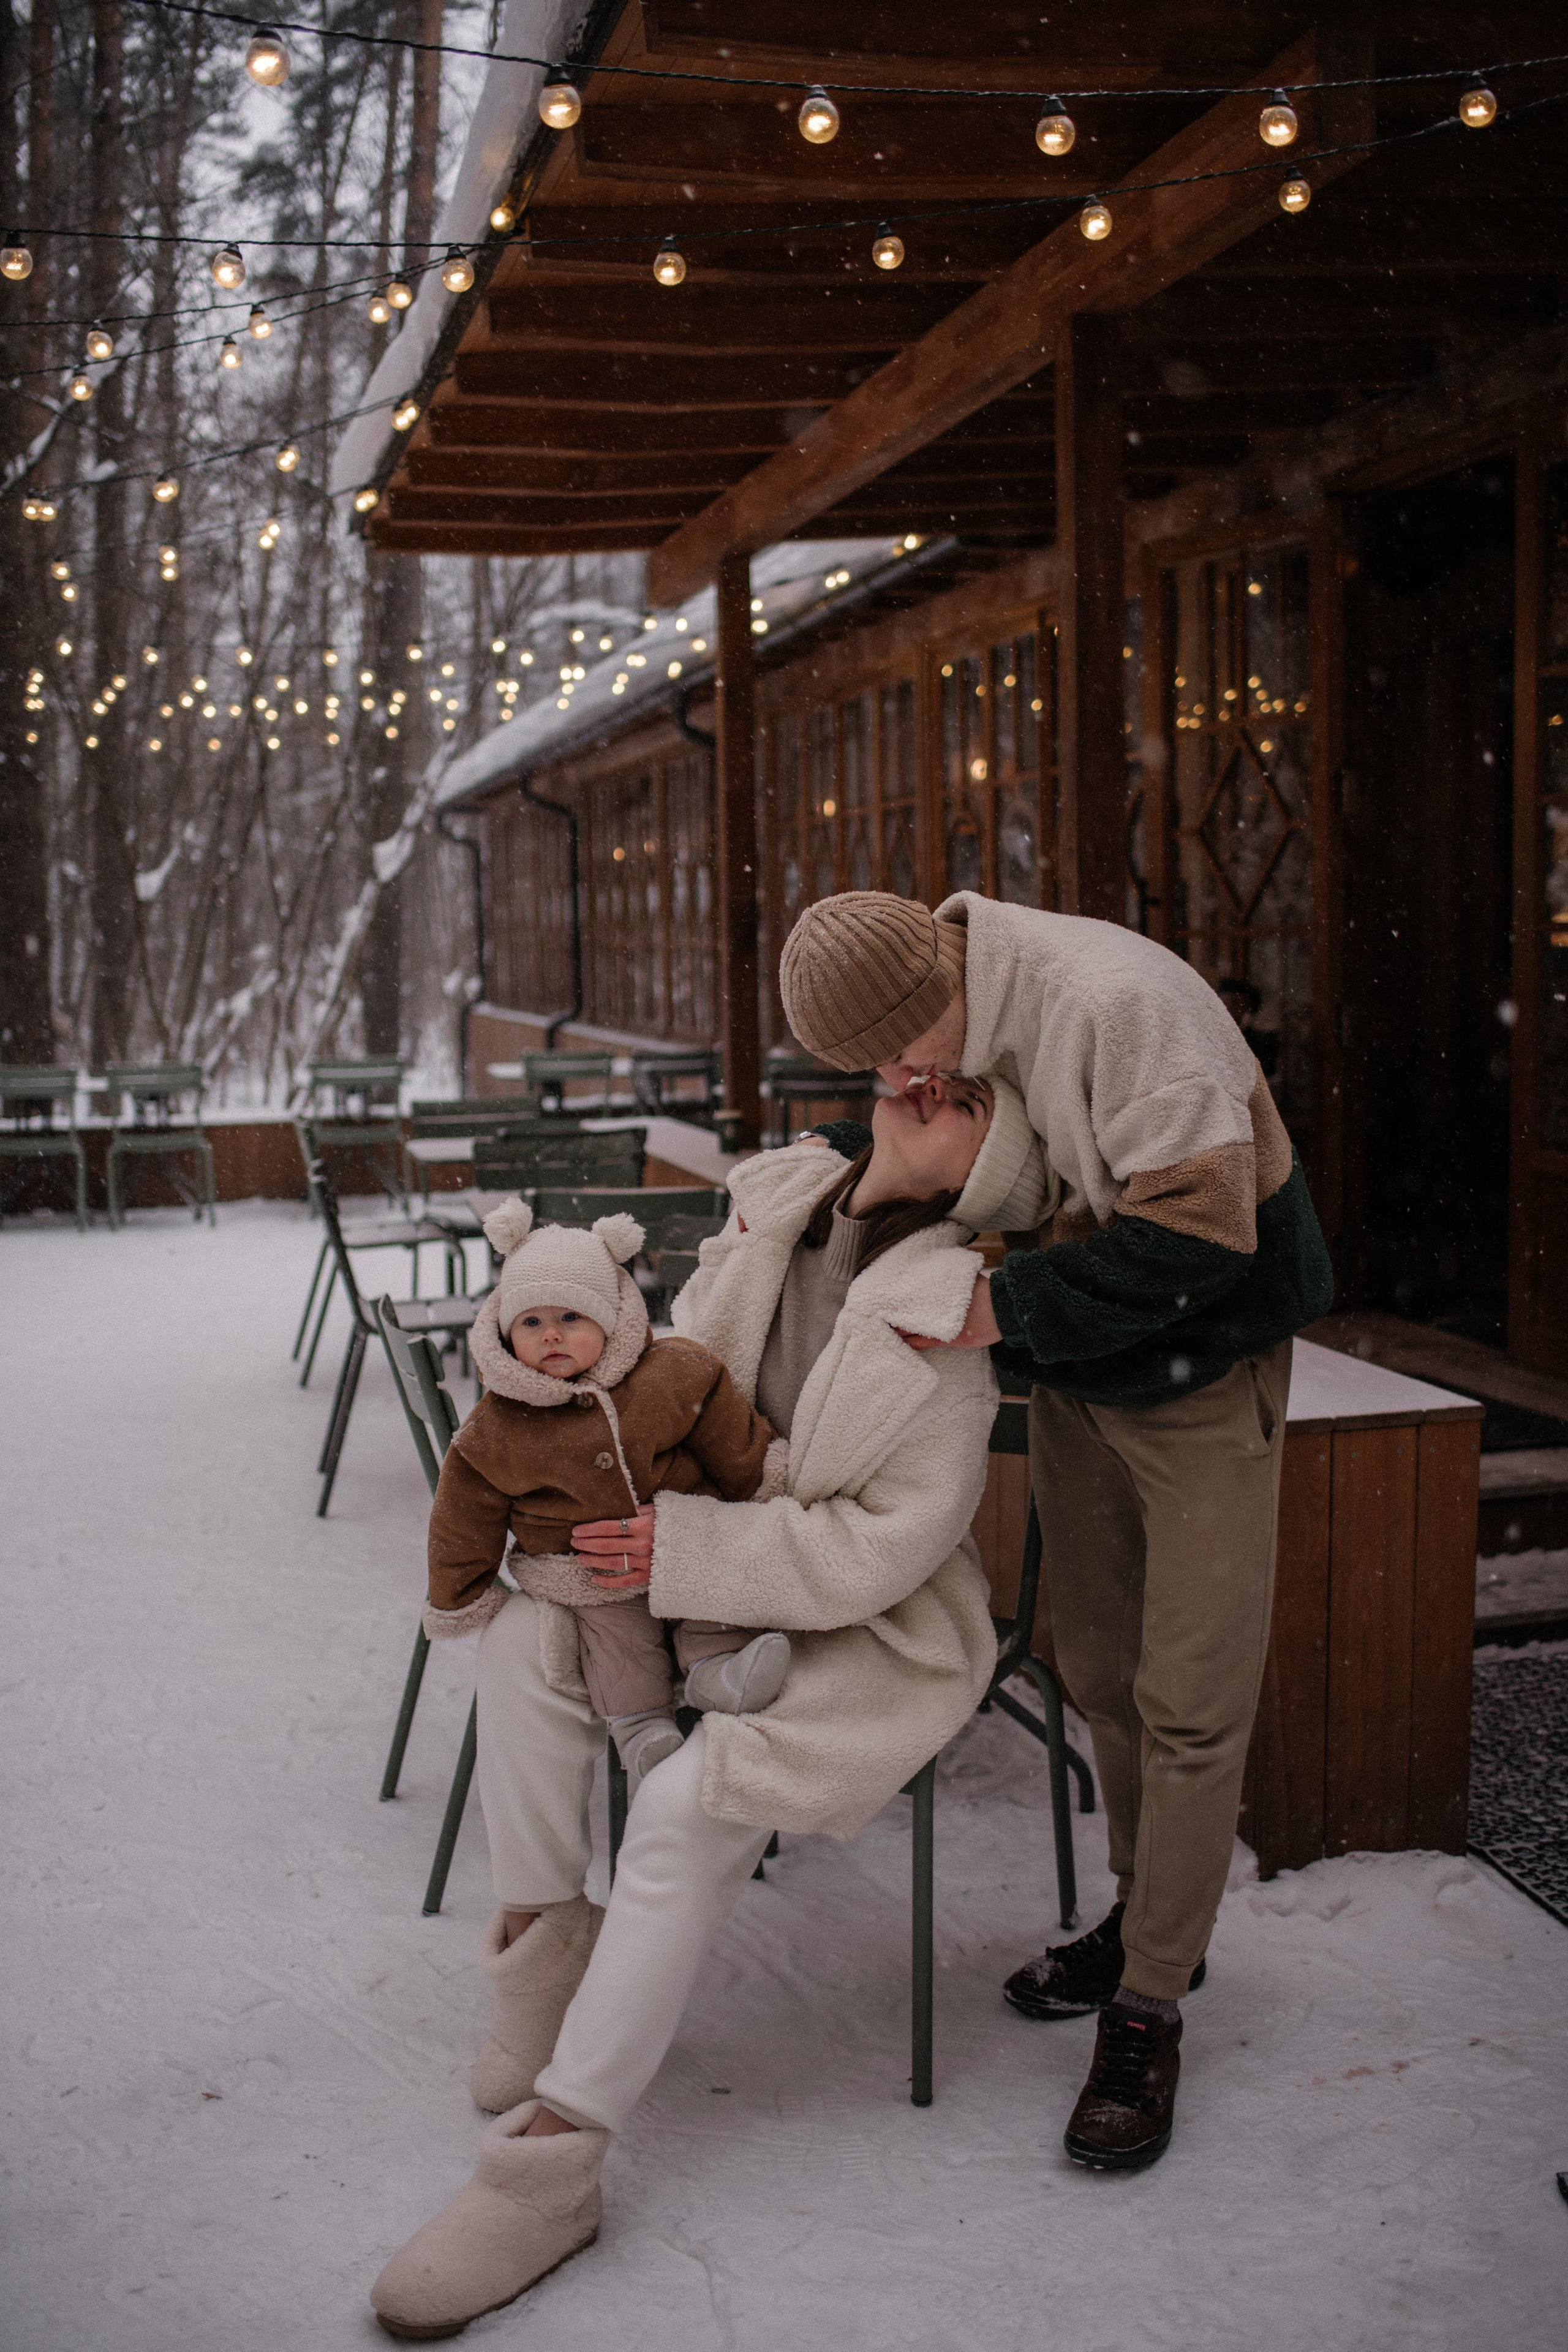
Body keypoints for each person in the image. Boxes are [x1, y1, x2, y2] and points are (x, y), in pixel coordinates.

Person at [368, 1074, 1049, 2341]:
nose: (911, 1084)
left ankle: (551, 2165)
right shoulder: (773, 1212)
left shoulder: (946, 1313)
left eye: (955, 1095)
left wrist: (690, 1553)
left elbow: (887, 1549)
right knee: (520, 1639)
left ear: (986, 1163)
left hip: (853, 1616)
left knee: (685, 1798)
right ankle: (544, 1946)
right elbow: (659, 1383)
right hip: (675, 1569)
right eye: (909, 1065)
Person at [778, 889, 1335, 2176]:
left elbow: (1201, 1229)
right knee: (1094, 1660)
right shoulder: (963, 1014)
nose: (893, 1078)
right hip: (1088, 1358)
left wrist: (994, 1304)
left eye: (885, 1053)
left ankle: (1148, 2009)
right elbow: (1036, 1177)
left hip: (1207, 1342)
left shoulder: (1115, 1005)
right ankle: (1153, 1923)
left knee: (1190, 1690)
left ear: (927, 992)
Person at [425, 1199, 791, 1789]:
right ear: (504, 1331)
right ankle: (640, 1728)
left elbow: (725, 1431)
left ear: (610, 1319)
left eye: (571, 1318)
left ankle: (717, 1671)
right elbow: (463, 1516)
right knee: (618, 1642)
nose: (551, 1336)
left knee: (711, 1601)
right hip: (586, 1568)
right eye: (531, 1323)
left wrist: (762, 1481)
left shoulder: (669, 1374)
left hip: (682, 1540)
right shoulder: (495, 1430)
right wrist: (457, 1594)